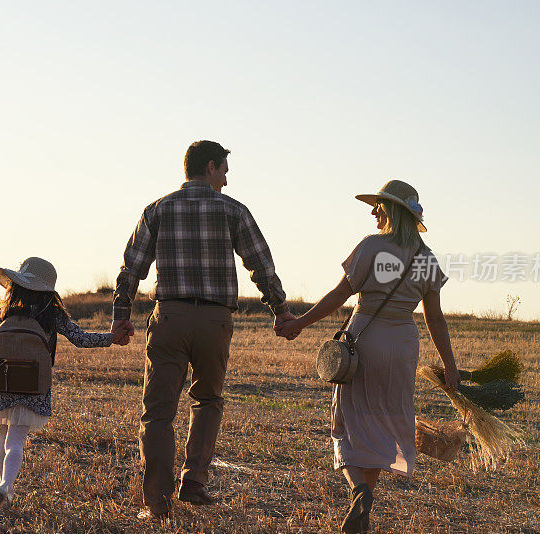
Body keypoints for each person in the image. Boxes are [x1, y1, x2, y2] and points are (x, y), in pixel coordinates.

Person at [111, 140, 297, 519]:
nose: (226, 181)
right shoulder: (233, 210)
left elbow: (132, 267)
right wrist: (280, 309)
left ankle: (158, 503)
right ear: (210, 167)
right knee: (208, 400)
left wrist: (120, 313)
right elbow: (260, 263)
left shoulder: (158, 209)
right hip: (215, 321)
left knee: (158, 413)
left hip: (171, 318)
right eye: (224, 171)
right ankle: (194, 481)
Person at [276, 180, 460, 533]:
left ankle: (359, 489)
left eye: (379, 206)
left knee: (346, 421)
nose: (373, 211)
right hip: (403, 346)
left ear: (392, 211)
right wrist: (449, 366)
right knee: (382, 423)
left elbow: (339, 294)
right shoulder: (426, 257)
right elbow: (434, 317)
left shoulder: (372, 247)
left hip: (365, 340)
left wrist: (300, 322)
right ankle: (364, 507)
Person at [0, 257, 130, 512]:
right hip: (33, 385)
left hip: (2, 383)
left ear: (16, 285)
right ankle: (5, 487)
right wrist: (111, 338)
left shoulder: (5, 311)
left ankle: (5, 487)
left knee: (3, 440)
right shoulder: (52, 313)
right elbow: (80, 339)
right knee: (16, 441)